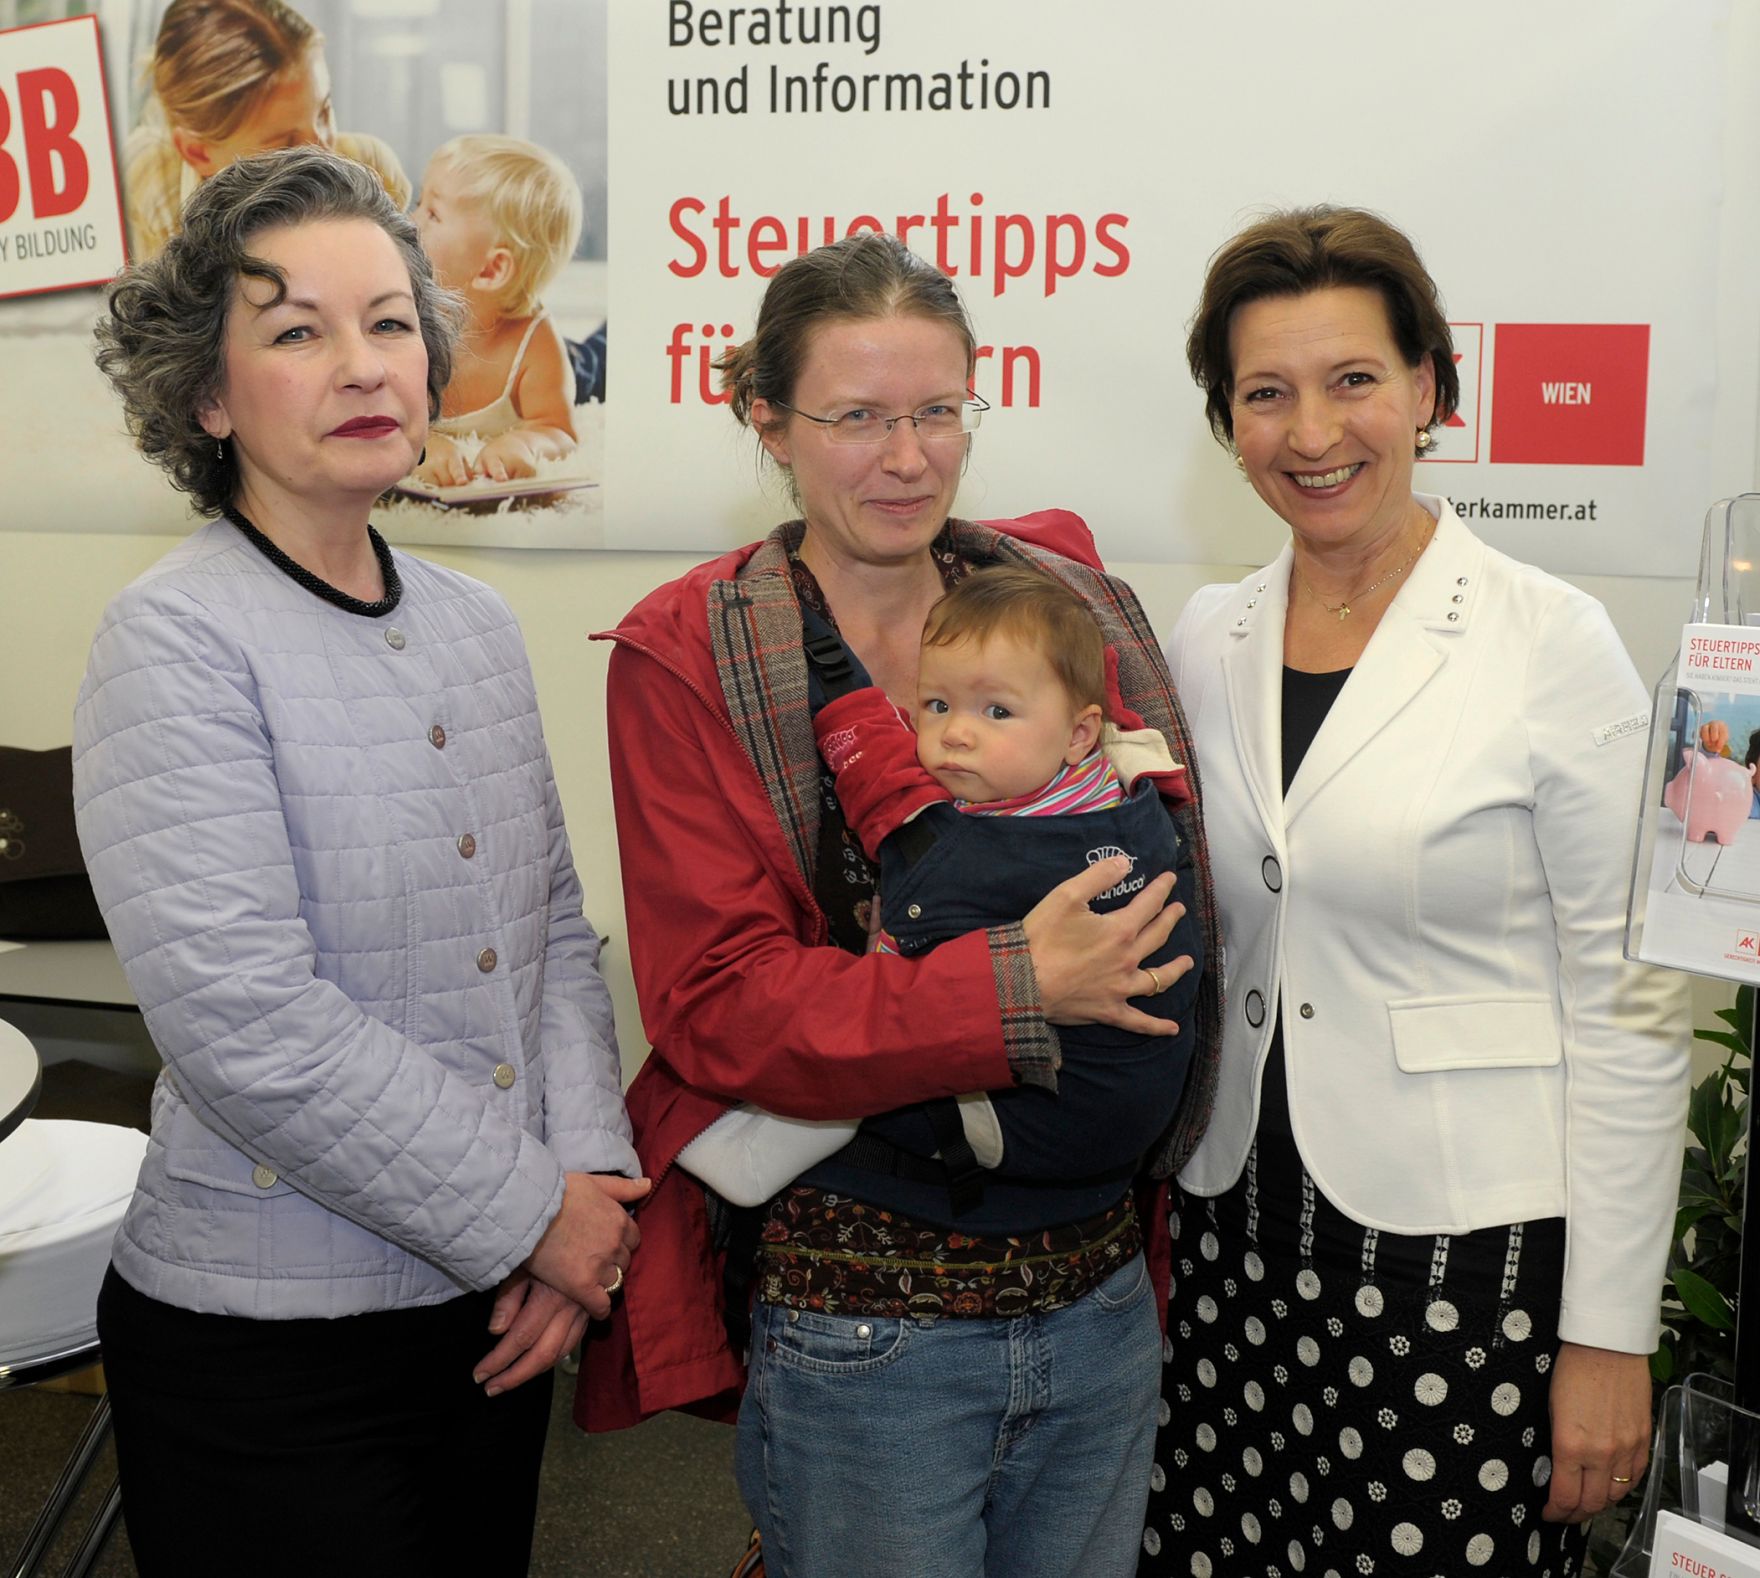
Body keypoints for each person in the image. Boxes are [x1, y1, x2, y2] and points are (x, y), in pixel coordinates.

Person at [574, 231, 1221, 1578]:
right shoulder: (696, 651)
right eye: (857, 417)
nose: (908, 456)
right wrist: (1012, 986)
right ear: (765, 418)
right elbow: (719, 1007)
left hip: (1100, 1293)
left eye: (938, 411)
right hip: (872, 1323)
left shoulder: (1060, 608)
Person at [77, 147, 640, 1575]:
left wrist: (586, 1190)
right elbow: (246, 1022)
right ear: (206, 396)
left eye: (390, 320)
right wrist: (537, 1211)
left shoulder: (473, 619)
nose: (362, 363)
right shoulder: (175, 636)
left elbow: (553, 935)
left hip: (492, 1317)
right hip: (268, 1356)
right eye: (295, 330)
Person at [1139, 206, 1690, 1577]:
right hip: (1233, 1237)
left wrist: (1610, 1335)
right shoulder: (1208, 635)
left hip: (1463, 1269)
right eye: (1266, 393)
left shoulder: (1546, 641)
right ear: (1227, 420)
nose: (1312, 432)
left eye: (1354, 380)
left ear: (1434, 387)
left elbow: (1632, 1006)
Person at [678, 563, 1204, 1222]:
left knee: (854, 1082)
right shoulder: (1130, 790)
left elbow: (921, 937)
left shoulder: (981, 853)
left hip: (1043, 1127)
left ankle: (739, 1156)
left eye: (997, 711)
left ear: (1078, 733)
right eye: (936, 705)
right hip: (1131, 1135)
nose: (955, 732)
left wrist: (897, 933)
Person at [123, 0, 410, 261]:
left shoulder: (373, 171)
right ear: (197, 152)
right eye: (286, 144)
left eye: (323, 112)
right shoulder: (153, 180)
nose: (323, 152)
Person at [410, 134, 583, 486]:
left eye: (431, 213)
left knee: (596, 364)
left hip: (573, 362)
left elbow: (558, 429)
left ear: (491, 270)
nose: (409, 221)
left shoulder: (535, 344)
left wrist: (525, 442)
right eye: (418, 201)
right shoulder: (402, 317)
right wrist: (424, 443)